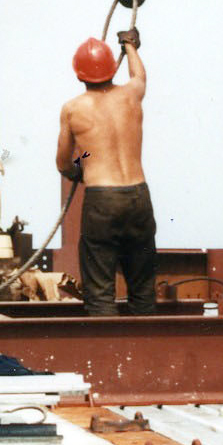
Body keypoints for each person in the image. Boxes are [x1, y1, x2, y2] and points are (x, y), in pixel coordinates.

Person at [55, 28, 157, 316]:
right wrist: (130, 46)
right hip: (138, 196)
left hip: (102, 200)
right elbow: (139, 76)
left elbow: (63, 163)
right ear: (113, 68)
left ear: (79, 75)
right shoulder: (131, 95)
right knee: (143, 290)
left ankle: (108, 341)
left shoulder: (73, 109)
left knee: (100, 292)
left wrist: (80, 167)